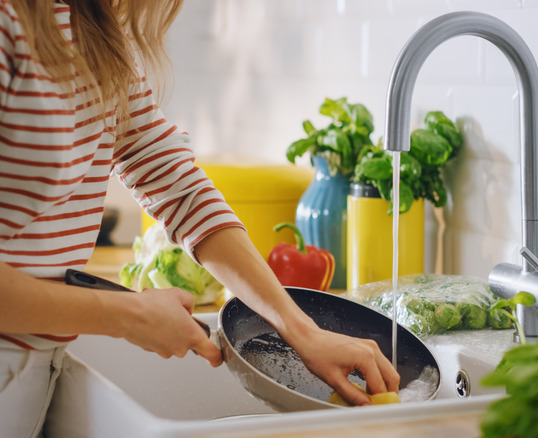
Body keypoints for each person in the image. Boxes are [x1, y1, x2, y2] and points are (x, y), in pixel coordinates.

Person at [0, 1, 399, 435]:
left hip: (32, 373)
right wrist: (126, 313)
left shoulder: (90, 25)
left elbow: (176, 184)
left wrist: (299, 328)